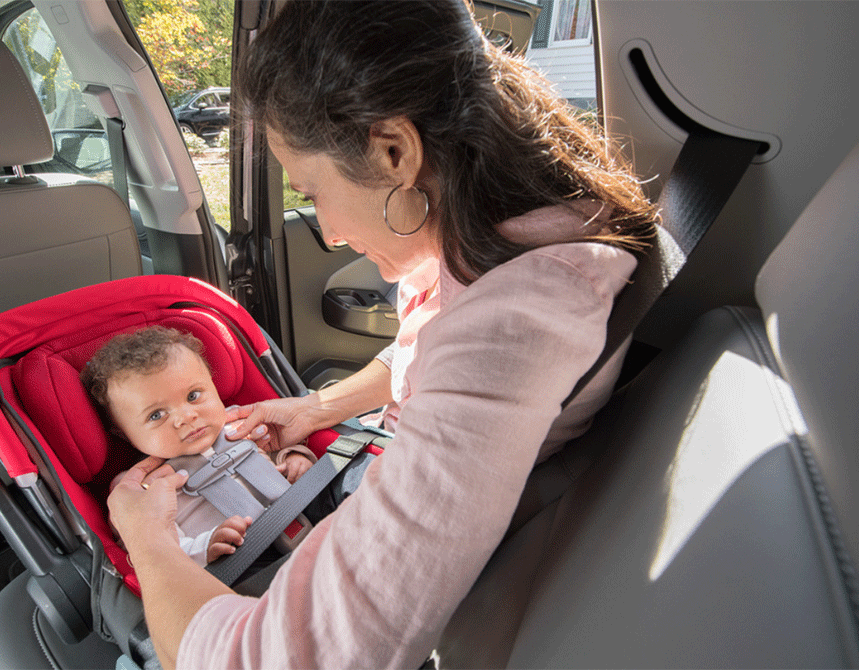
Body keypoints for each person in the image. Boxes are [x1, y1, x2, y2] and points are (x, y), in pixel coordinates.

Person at [107, 1, 659, 668]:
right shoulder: (504, 248)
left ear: (394, 150)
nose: (330, 233)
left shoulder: (508, 328)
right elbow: (422, 352)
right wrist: (316, 407)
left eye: (312, 193)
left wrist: (147, 541)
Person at [82, 325, 316, 566]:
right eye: (156, 415)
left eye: (193, 396)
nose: (186, 417)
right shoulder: (137, 487)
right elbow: (153, 550)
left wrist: (295, 458)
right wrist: (204, 548)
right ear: (123, 433)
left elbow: (281, 447)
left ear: (213, 386)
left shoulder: (241, 423)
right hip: (240, 565)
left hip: (307, 522)